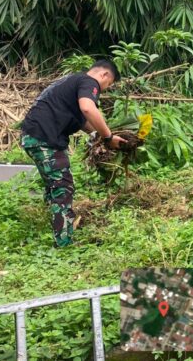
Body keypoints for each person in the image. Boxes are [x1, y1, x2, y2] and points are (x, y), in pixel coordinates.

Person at [20, 60, 126, 247]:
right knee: (63, 186)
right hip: (45, 138)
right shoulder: (88, 82)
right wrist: (108, 137)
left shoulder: (72, 81)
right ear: (104, 75)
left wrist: (97, 136)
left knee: (53, 184)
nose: (104, 89)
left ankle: (49, 223)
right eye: (107, 85)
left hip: (34, 136)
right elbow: (88, 108)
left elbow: (81, 119)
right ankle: (63, 242)